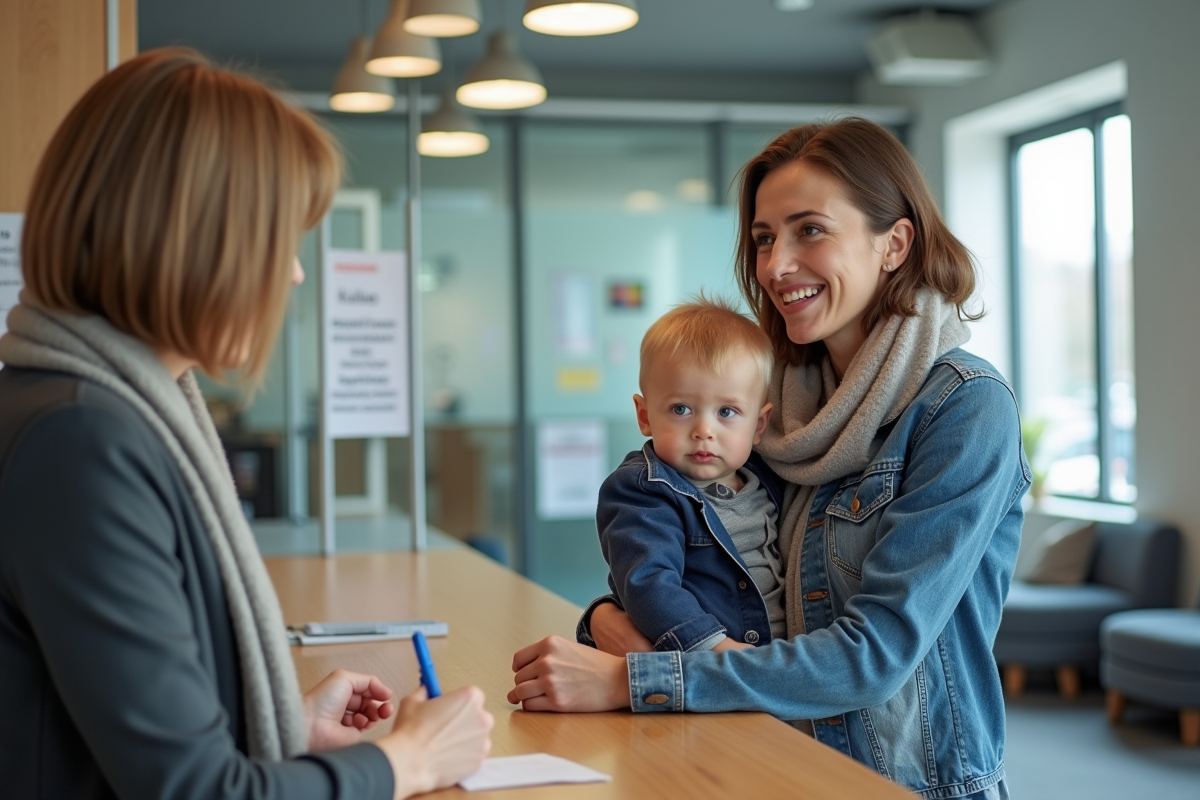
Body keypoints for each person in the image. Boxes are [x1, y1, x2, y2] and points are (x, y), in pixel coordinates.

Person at [0, 49, 492, 800]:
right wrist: (407, 762)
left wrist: (284, 727)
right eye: (280, 243)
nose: (294, 274)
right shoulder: (81, 442)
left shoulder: (94, 412)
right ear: (190, 240)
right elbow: (194, 791)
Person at [509, 118, 1028, 800]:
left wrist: (632, 676)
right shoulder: (776, 407)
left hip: (903, 784)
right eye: (763, 238)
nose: (776, 265)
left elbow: (873, 659)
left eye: (809, 229)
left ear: (895, 243)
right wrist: (607, 617)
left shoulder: (963, 406)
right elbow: (711, 567)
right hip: (767, 756)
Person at [595, 298, 786, 654]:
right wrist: (717, 651)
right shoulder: (642, 491)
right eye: (681, 409)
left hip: (778, 661)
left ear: (759, 425)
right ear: (645, 415)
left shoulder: (771, 480)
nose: (703, 430)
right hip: (706, 663)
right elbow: (649, 584)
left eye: (726, 411)